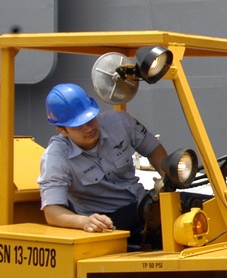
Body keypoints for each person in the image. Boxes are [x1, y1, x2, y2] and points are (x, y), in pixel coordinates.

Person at [37, 83, 167, 243]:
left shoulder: (120, 122)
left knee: (192, 205)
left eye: (90, 119)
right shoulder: (55, 157)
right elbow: (52, 211)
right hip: (107, 221)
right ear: (62, 131)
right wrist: (85, 222)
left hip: (142, 202)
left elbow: (153, 149)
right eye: (78, 126)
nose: (88, 128)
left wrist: (167, 181)